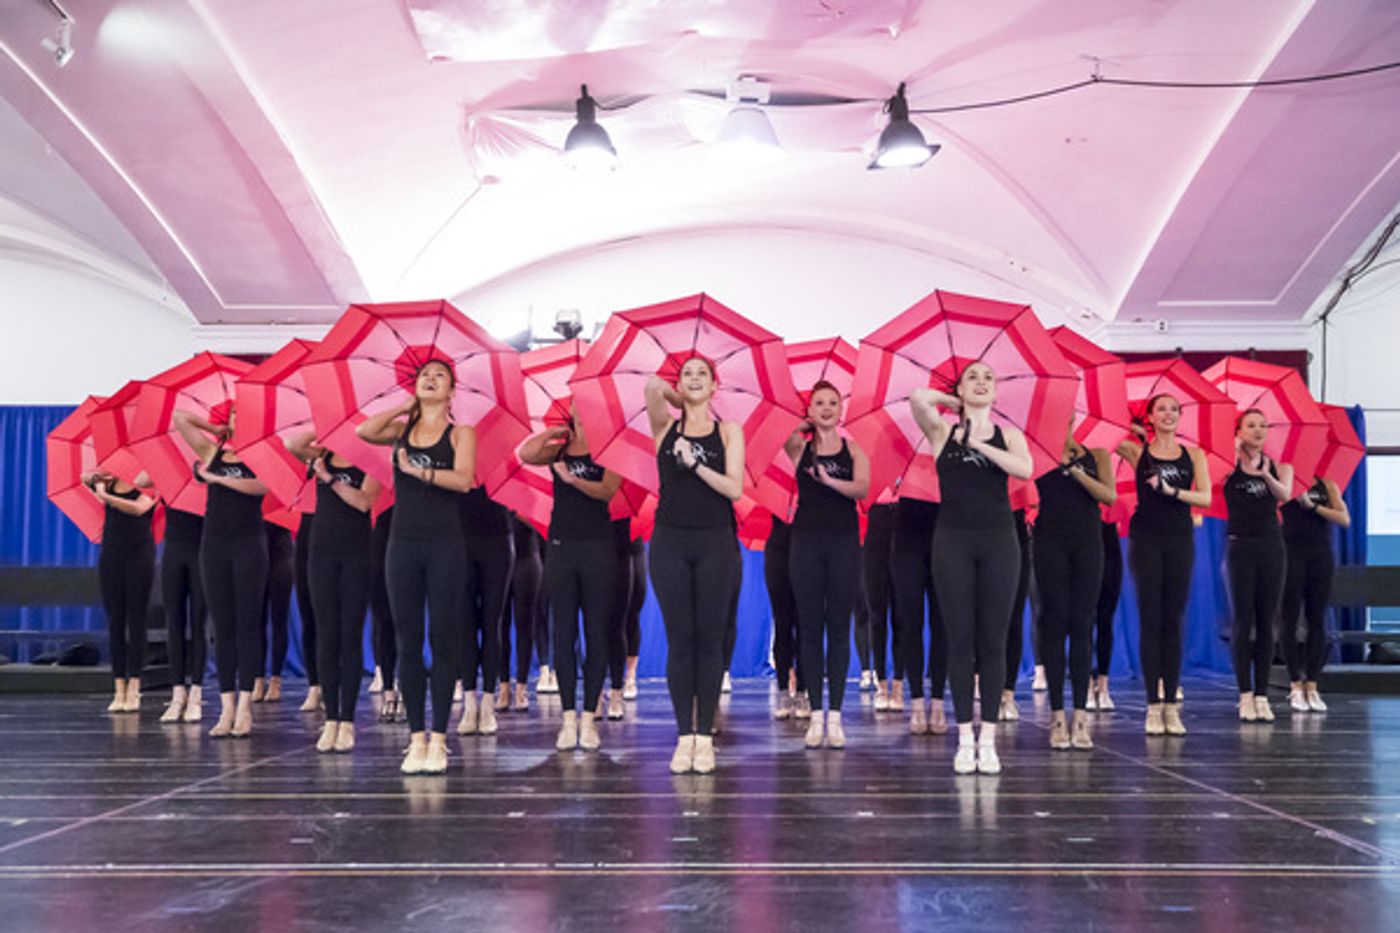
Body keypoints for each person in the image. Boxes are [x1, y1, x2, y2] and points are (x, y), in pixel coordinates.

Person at [911, 361, 1033, 774]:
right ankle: (965, 737)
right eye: (973, 378)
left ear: (997, 392)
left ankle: (990, 740)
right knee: (959, 639)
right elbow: (918, 399)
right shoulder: (943, 432)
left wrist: (978, 443)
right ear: (961, 388)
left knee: (993, 640)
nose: (982, 383)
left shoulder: (1009, 435)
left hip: (1000, 541)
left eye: (988, 378)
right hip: (952, 542)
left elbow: (1025, 469)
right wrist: (953, 404)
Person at [356, 358, 475, 775]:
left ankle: (439, 740)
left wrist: (418, 472)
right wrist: (404, 405)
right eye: (424, 375)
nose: (430, 379)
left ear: (452, 391)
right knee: (407, 641)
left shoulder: (462, 433)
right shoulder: (399, 431)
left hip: (445, 544)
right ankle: (415, 739)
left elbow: (463, 480)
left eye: (439, 375)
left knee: (442, 639)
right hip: (402, 545)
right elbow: (363, 431)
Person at [645, 357, 744, 774]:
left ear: (716, 386)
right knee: (680, 639)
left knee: (709, 639)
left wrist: (697, 463)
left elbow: (734, 488)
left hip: (715, 541)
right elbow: (651, 385)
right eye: (688, 374)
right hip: (670, 541)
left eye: (703, 374)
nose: (695, 378)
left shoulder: (728, 431)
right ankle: (684, 735)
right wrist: (681, 398)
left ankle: (704, 738)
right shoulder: (665, 428)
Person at [519, 408, 622, 751]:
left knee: (595, 632)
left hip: (598, 547)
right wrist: (553, 434)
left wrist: (572, 479)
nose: (582, 408)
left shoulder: (609, 448)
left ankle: (589, 717)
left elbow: (608, 490)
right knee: (563, 632)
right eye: (577, 402)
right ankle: (567, 717)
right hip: (561, 546)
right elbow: (526, 453)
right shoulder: (559, 449)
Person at [1117, 394, 1212, 737]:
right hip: (1146, 539)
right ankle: (1152, 707)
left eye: (1174, 409)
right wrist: (1137, 434)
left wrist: (1173, 491)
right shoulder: (1136, 451)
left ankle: (1171, 703)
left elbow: (1205, 498)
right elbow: (1109, 437)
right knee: (1150, 619)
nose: (1169, 414)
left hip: (1179, 537)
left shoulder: (1194, 454)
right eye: (1162, 409)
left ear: (1181, 416)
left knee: (1173, 620)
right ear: (1151, 417)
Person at [784, 381, 870, 749]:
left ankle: (835, 716)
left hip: (844, 542)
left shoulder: (854, 449)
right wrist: (803, 421)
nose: (826, 408)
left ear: (841, 409)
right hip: (805, 541)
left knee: (838, 628)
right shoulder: (800, 447)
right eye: (819, 402)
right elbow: (782, 433)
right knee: (809, 628)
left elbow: (862, 489)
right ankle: (815, 714)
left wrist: (830, 480)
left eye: (833, 403)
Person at [175, 404, 269, 738]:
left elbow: (260, 487)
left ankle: (245, 707)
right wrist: (213, 429)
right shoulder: (212, 451)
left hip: (249, 546)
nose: (238, 421)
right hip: (214, 545)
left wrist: (212, 478)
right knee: (222, 627)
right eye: (233, 417)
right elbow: (180, 417)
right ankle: (226, 706)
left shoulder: (260, 455)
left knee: (247, 625)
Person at [287, 434, 383, 752]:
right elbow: (292, 444)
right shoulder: (320, 455)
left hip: (356, 552)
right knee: (326, 635)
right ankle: (330, 721)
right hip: (321, 551)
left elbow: (364, 501)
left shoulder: (371, 461)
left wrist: (329, 479)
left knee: (349, 636)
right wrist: (322, 436)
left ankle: (347, 720)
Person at [1033, 416, 1115, 750]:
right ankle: (1056, 715)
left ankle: (1080, 715)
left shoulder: (1096, 454)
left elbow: (1107, 496)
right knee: (1054, 622)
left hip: (1087, 543)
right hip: (1049, 541)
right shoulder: (1037, 455)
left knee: (1083, 623)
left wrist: (1076, 470)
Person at [1224, 410, 1293, 723]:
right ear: (1239, 430)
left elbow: (1285, 495)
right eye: (1251, 425)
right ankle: (1244, 694)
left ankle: (1263, 694)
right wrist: (1233, 450)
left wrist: (1265, 475)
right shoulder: (1228, 466)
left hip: (1271, 548)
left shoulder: (1281, 467)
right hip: (1240, 547)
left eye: (1263, 425)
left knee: (1267, 622)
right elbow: (1210, 478)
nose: (1258, 430)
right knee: (1243, 619)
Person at [85, 470, 156, 714]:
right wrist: (96, 478)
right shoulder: (108, 481)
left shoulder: (150, 480)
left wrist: (105, 496)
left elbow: (139, 508)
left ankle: (134, 686)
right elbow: (84, 478)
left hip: (140, 555)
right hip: (112, 554)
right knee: (115, 621)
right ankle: (119, 687)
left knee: (136, 620)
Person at [1279, 473, 1349, 712]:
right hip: (1290, 554)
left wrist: (1315, 506)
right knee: (1288, 620)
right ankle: (1295, 685)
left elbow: (1343, 518)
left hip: (1320, 555)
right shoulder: (1282, 478)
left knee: (1316, 619)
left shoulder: (1327, 483)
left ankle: (1312, 684)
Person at [457, 486, 514, 736]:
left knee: (493, 623)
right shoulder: (455, 449)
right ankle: (470, 704)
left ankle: (488, 703)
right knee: (465, 625)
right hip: (458, 537)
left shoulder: (501, 454)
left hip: (498, 537)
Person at [159, 503, 208, 722]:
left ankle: (196, 693)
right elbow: (142, 480)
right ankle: (177, 693)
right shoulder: (170, 473)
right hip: (173, 548)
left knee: (199, 621)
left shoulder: (208, 471)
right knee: (174, 622)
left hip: (201, 548)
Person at [506, 514, 543, 712]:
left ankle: (521, 685)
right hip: (499, 555)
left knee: (524, 622)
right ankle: (503, 686)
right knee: (499, 624)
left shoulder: (529, 489)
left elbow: (541, 521)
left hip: (527, 557)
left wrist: (518, 513)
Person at [1087, 509, 1123, 711]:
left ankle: (1103, 685)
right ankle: (1086, 687)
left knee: (1105, 620)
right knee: (1084, 621)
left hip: (1110, 549)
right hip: (1084, 545)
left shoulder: (1114, 478)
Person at [254, 520, 294, 703]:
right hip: (255, 557)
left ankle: (276, 680)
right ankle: (258, 679)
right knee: (256, 622)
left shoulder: (281, 496)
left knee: (279, 620)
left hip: (281, 557)